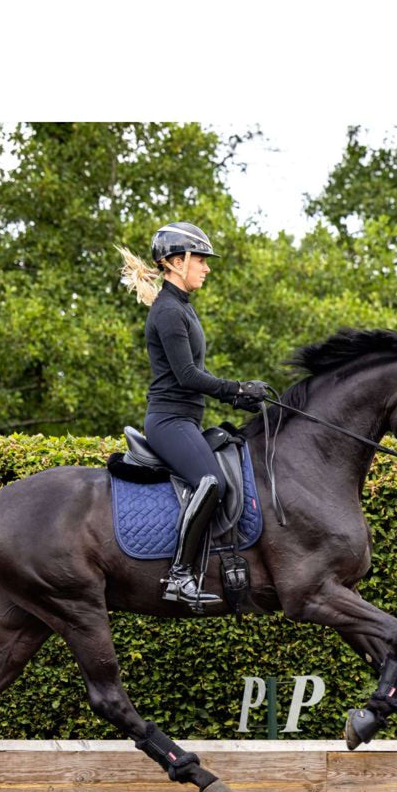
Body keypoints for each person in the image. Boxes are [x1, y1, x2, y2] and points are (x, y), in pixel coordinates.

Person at [117, 223, 268, 609]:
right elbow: (187, 376)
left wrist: (241, 398)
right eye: (200, 260)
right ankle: (179, 577)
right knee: (211, 482)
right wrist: (235, 390)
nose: (206, 268)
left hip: (186, 419)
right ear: (175, 262)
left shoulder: (181, 307)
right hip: (168, 422)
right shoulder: (168, 311)